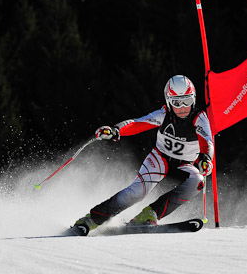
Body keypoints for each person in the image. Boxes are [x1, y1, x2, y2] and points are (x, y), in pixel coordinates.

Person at [71, 75, 214, 234]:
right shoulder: (163, 114)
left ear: (193, 99)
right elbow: (138, 123)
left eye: (187, 101)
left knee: (198, 181)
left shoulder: (199, 118)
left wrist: (206, 159)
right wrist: (116, 130)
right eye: (176, 102)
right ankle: (92, 219)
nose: (182, 107)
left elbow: (207, 141)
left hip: (184, 165)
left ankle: (149, 214)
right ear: (168, 101)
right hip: (160, 158)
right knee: (137, 192)